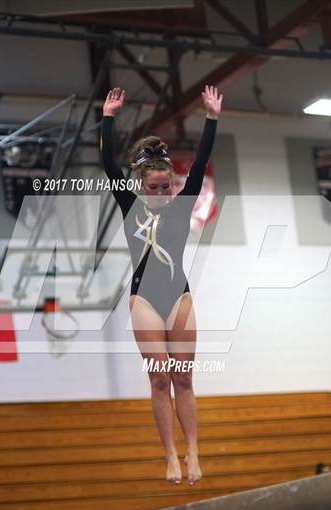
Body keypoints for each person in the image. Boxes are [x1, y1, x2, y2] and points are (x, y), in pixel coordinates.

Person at [101, 85, 222, 485]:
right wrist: (108, 117)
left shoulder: (181, 205)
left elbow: (202, 158)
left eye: (164, 188)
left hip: (179, 297)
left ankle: (193, 452)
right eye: (152, 188)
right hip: (144, 300)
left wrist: (211, 118)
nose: (158, 194)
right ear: (141, 187)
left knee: (185, 379)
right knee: (160, 378)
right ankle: (169, 455)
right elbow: (107, 163)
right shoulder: (130, 205)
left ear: (173, 187)